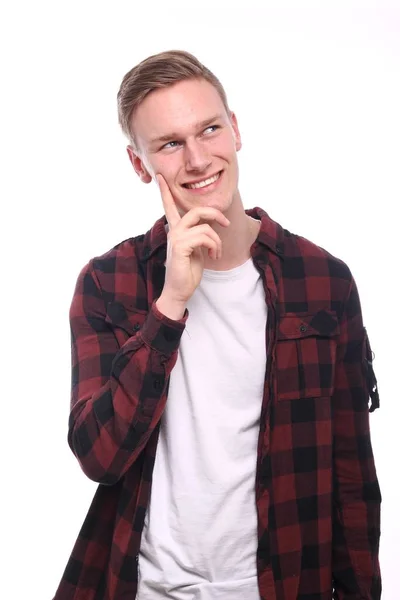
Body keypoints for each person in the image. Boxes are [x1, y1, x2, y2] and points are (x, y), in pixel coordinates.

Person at [53, 50, 381, 600]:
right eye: (170, 144)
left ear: (234, 130)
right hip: (143, 587)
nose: (199, 159)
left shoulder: (323, 281)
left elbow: (351, 476)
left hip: (280, 586)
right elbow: (98, 456)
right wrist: (171, 304)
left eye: (209, 130)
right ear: (140, 166)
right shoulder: (108, 283)